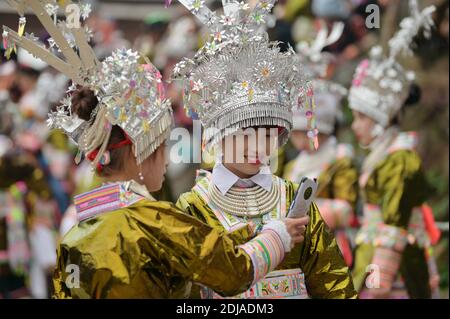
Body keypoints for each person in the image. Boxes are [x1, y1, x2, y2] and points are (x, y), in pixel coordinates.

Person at [3, 1, 307, 298]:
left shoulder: (74, 227)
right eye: (163, 147)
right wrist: (278, 234)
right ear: (142, 151)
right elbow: (235, 272)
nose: (165, 161)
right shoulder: (157, 222)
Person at [173, 0, 356, 299]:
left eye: (269, 134)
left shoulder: (293, 199)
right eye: (245, 134)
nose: (258, 147)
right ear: (219, 133)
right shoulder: (194, 208)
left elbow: (333, 283)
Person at [348, 0, 440, 299]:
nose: (355, 126)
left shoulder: (400, 159)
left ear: (382, 120)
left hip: (393, 270)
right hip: (375, 258)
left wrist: (378, 280)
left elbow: (393, 225)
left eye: (362, 118)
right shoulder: (385, 155)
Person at [283, 22, 359, 267]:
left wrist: (303, 214)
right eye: (296, 134)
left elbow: (347, 210)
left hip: (331, 246)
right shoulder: (293, 165)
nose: (300, 140)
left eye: (307, 133)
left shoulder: (339, 160)